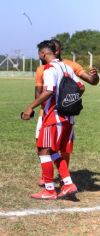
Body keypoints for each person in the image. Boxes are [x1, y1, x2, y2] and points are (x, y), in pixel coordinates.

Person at [22, 40, 84, 200]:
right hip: (67, 117)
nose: (40, 57)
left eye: (39, 55)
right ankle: (68, 183)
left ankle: (49, 189)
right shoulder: (67, 67)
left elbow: (49, 91)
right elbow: (80, 87)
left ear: (43, 53)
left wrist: (30, 107)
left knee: (43, 149)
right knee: (54, 151)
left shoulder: (49, 69)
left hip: (53, 117)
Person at [34, 39, 99, 186]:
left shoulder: (70, 66)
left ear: (58, 50)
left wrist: (66, 102)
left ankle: (62, 179)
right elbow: (38, 93)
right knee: (42, 147)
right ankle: (47, 176)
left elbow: (90, 82)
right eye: (53, 49)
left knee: (62, 148)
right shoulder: (41, 69)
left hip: (60, 114)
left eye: (57, 49)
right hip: (46, 114)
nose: (55, 51)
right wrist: (39, 107)